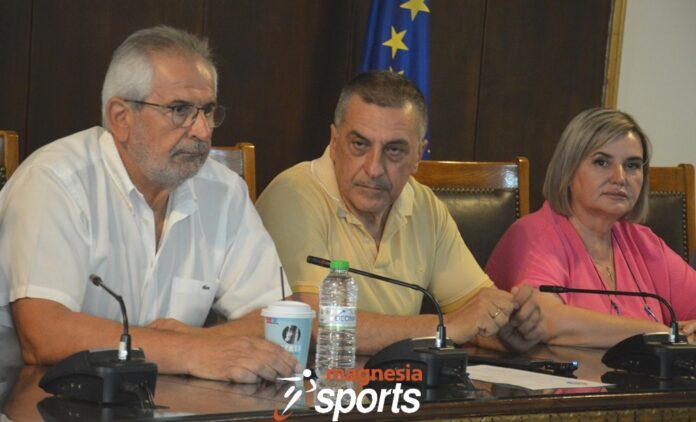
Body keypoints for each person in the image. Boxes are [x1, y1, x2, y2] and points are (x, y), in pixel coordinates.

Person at [0, 26, 299, 383]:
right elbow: (43, 334)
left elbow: (281, 318)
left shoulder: (224, 192)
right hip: (42, 398)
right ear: (120, 118)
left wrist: (199, 343)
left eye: (207, 111)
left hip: (170, 400)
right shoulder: (55, 181)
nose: (202, 131)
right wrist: (188, 351)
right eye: (179, 110)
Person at [255, 70, 545, 354]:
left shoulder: (424, 205)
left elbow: (474, 316)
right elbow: (313, 325)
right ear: (334, 141)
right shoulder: (294, 194)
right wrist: (446, 327)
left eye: (393, 150)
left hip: (396, 381)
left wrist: (510, 328)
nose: (373, 169)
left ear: (418, 155)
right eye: (359, 144)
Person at [487, 108, 696, 347]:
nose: (620, 178)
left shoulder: (643, 242)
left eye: (632, 165)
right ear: (568, 170)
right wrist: (659, 333)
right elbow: (545, 322)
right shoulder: (535, 233)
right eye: (602, 162)